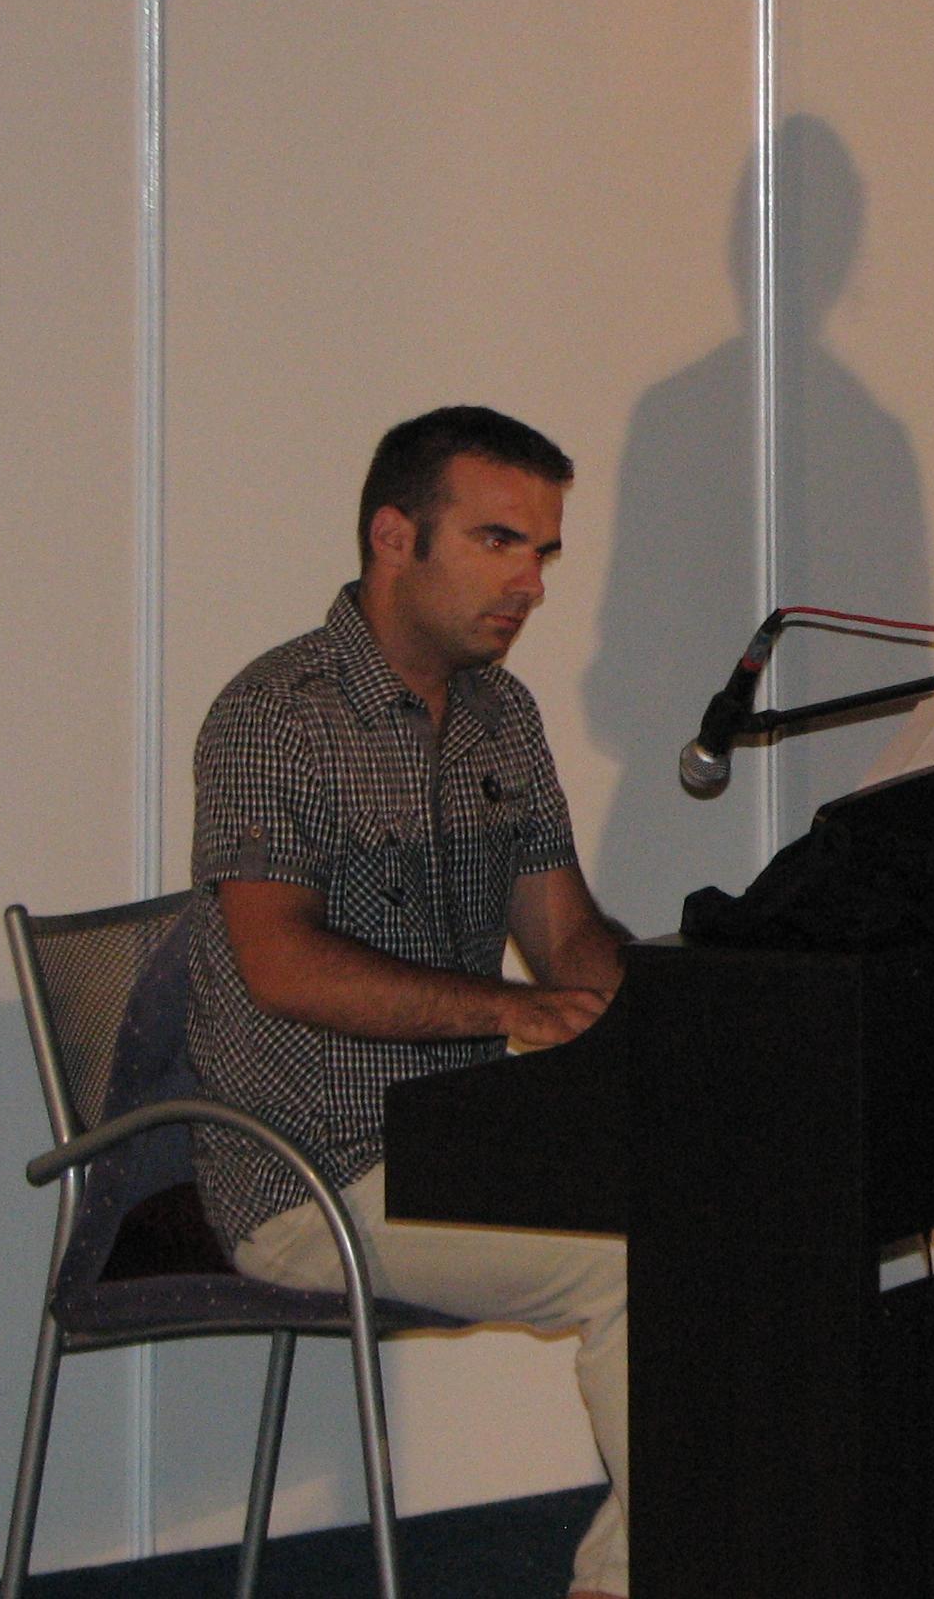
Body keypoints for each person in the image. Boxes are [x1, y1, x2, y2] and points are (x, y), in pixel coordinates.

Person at [183, 404, 631, 1599]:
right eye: (499, 543)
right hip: (311, 1170)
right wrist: (508, 1012)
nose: (531, 583)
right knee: (643, 1261)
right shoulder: (274, 715)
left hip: (467, 1142)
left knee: (746, 1200)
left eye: (543, 551)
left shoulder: (501, 714)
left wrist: (687, 1013)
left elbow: (565, 935)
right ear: (395, 537)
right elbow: (279, 963)